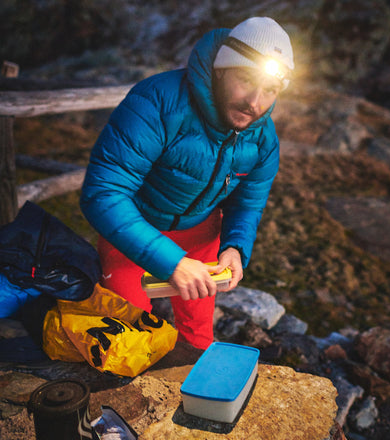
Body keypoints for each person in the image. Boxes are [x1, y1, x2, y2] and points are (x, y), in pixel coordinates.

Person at [80, 17, 294, 349]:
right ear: (221, 70)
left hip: (203, 236)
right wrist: (172, 262)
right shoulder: (157, 101)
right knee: (125, 335)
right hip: (134, 232)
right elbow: (103, 193)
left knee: (198, 332)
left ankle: (194, 389)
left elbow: (246, 203)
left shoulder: (263, 140)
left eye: (270, 89)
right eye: (246, 80)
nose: (255, 101)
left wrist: (235, 247)